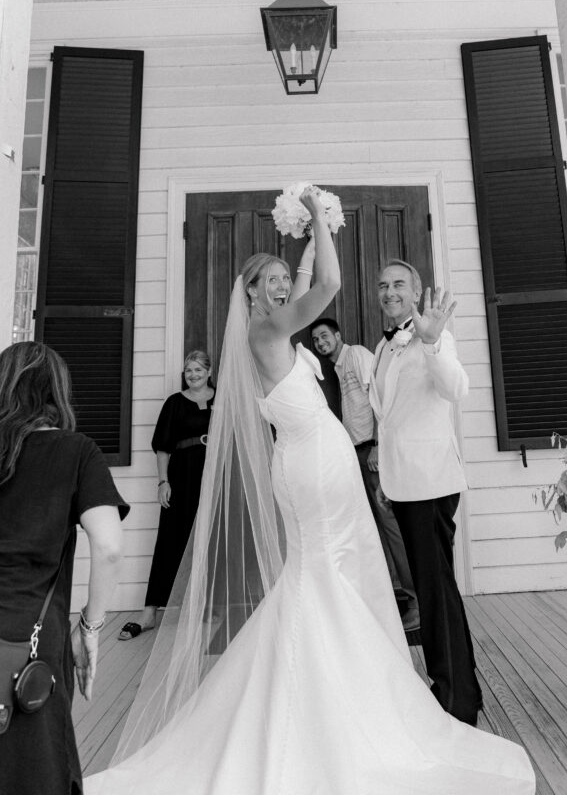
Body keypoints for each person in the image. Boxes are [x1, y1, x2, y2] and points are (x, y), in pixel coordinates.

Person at [85, 188, 535, 795]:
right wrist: (321, 216)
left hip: (313, 461)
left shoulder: (272, 330)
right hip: (314, 466)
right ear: (249, 294)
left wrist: (300, 230)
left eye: (279, 277)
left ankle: (332, 682)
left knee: (324, 575)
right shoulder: (269, 330)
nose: (278, 285)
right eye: (267, 279)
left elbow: (302, 282)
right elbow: (325, 282)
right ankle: (331, 699)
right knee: (325, 573)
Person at [0, 341, 128, 795]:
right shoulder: (76, 452)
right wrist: (90, 628)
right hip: (32, 640)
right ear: (57, 391)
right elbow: (109, 546)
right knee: (37, 768)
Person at [369, 258, 481, 725]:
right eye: (382, 285)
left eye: (398, 284)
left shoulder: (436, 335)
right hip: (402, 482)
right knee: (434, 587)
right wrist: (383, 475)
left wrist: (434, 342)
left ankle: (454, 701)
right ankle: (459, 688)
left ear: (416, 293)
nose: (389, 291)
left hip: (431, 484)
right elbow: (388, 415)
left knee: (435, 591)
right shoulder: (383, 345)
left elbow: (457, 389)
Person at [310, 316, 419, 631]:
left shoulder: (356, 355)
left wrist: (376, 446)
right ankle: (388, 597)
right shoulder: (339, 366)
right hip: (356, 452)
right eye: (316, 340)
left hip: (372, 451)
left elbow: (380, 400)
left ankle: (417, 599)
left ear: (338, 334)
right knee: (374, 526)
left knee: (390, 523)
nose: (320, 343)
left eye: (324, 336)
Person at [119, 351, 214, 640]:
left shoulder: (222, 398)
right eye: (188, 370)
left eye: (198, 369)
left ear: (209, 372)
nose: (193, 374)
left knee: (210, 539)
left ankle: (206, 606)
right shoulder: (174, 403)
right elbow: (163, 447)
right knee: (170, 540)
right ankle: (150, 612)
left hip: (213, 477)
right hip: (182, 476)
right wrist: (163, 481)